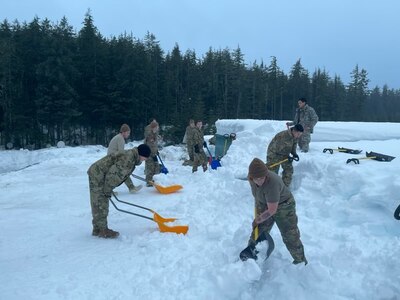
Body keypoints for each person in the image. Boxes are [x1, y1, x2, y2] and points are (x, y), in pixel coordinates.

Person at [246, 157, 307, 265]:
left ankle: (300, 262)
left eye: (262, 178)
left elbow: (272, 210)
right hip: (265, 202)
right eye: (256, 178)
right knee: (258, 231)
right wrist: (259, 221)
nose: (259, 181)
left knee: (290, 235)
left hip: (284, 205)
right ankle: (251, 254)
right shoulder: (251, 178)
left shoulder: (273, 183)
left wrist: (258, 219)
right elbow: (258, 193)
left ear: (266, 175)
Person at [87, 144, 151, 238]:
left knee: (98, 202)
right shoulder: (128, 159)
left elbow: (122, 175)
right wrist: (108, 189)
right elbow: (113, 175)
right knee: (101, 203)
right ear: (141, 154)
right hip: (98, 175)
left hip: (99, 174)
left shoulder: (132, 156)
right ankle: (102, 230)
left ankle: (98, 229)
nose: (144, 160)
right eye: (145, 158)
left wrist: (108, 188)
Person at [107, 124, 142, 193]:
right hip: (112, 159)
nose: (128, 134)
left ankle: (131, 188)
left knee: (124, 172)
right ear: (124, 132)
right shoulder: (120, 139)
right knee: (121, 173)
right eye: (128, 133)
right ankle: (109, 190)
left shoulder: (119, 137)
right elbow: (121, 152)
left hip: (111, 157)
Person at [144, 119, 161, 186]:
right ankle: (148, 182)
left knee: (155, 167)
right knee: (150, 168)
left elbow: (155, 145)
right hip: (149, 154)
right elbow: (149, 146)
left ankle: (152, 180)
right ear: (153, 128)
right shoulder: (150, 135)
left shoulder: (154, 134)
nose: (157, 129)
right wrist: (151, 154)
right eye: (156, 128)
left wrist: (156, 151)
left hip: (153, 153)